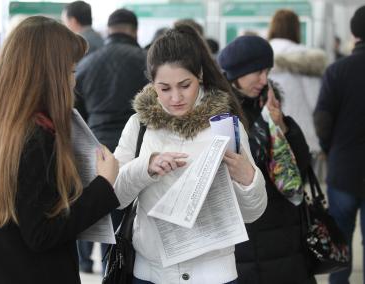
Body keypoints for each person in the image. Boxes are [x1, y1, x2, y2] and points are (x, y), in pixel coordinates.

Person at [0, 16, 120, 284]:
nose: (74, 83)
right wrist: (103, 185)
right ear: (49, 74)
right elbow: (43, 233)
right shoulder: (36, 137)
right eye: (71, 72)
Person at [113, 24, 267, 284]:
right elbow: (115, 197)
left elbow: (253, 213)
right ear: (152, 83)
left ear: (200, 76)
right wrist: (145, 168)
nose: (175, 97)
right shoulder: (138, 125)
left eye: (185, 85)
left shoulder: (225, 126)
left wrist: (248, 179)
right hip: (151, 273)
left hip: (214, 274)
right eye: (164, 88)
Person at [218, 35, 314, 284]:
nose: (264, 79)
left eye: (267, 71)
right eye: (257, 72)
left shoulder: (270, 104)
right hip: (247, 237)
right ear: (237, 73)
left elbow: (300, 168)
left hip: (285, 231)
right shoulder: (219, 115)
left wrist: (282, 125)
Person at [74, 8, 148, 273]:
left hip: (94, 149)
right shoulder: (146, 62)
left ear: (109, 30)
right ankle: (113, 267)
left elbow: (76, 112)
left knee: (88, 209)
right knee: (120, 215)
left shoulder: (86, 64)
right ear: (135, 30)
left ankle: (84, 260)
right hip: (133, 151)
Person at [314, 5, 365, 284]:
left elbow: (322, 119)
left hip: (343, 168)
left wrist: (328, 146)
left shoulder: (337, 71)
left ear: (353, 32)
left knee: (341, 241)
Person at [267, 9, 326, 162]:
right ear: (296, 28)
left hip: (268, 131)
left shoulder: (263, 53)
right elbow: (316, 101)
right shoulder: (304, 57)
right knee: (300, 181)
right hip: (300, 133)